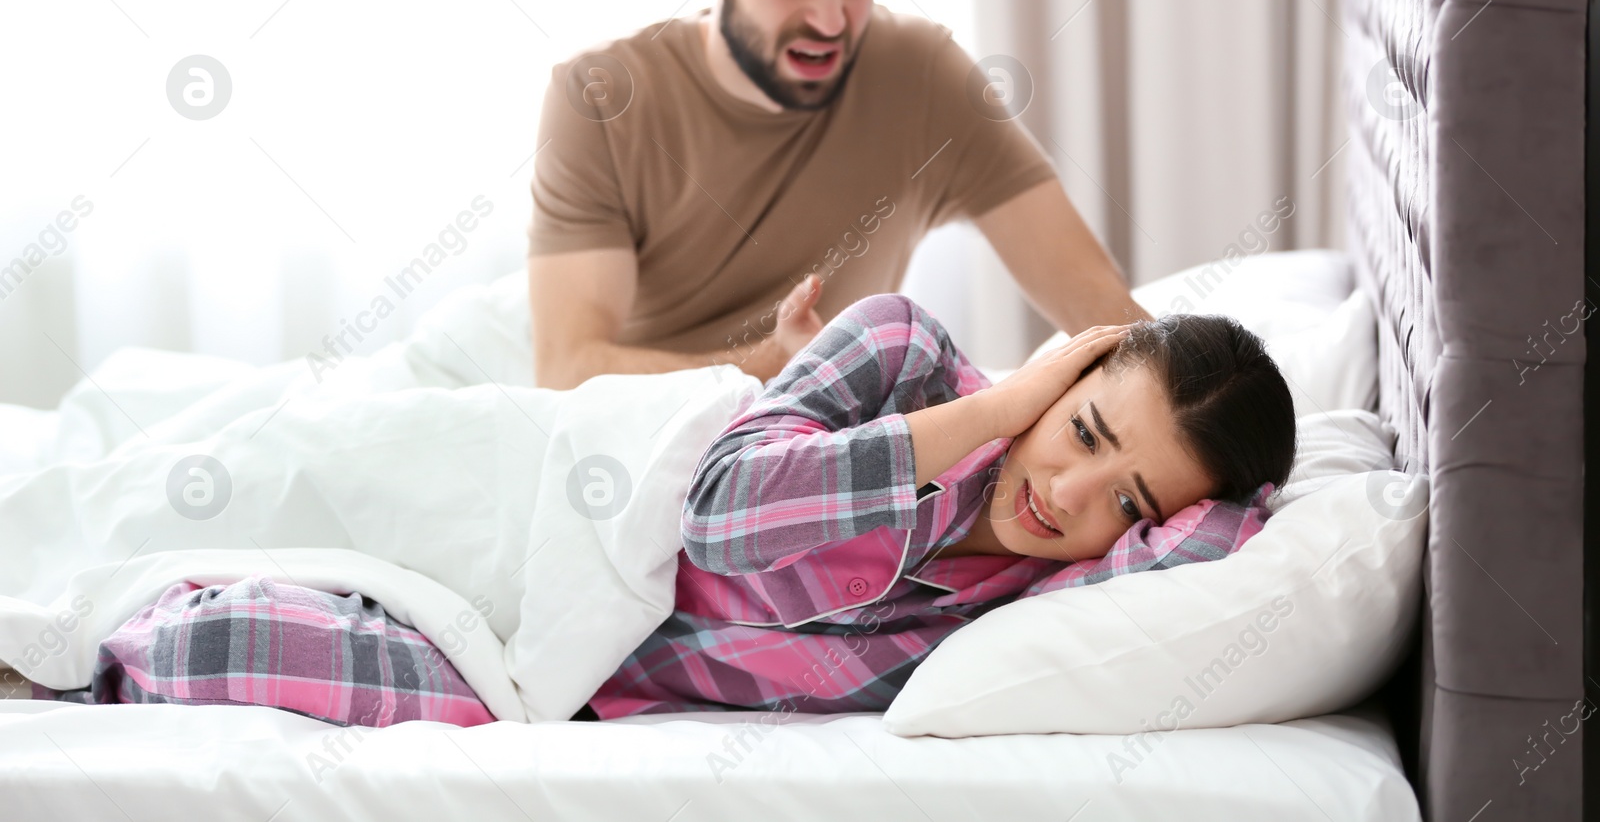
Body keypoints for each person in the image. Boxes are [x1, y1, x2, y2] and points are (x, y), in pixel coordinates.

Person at [40, 293, 1294, 725]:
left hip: (571, 669)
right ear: (1063, 374)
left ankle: (57, 666)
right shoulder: (908, 352)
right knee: (228, 483)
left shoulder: (1045, 601)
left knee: (217, 641)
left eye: (1120, 499)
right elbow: (720, 514)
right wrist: (999, 405)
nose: (1064, 492)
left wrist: (1235, 485)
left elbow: (1233, 537)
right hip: (553, 500)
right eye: (1081, 428)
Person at [527, 0, 1150, 390]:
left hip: (836, 438)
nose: (829, 21)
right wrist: (770, 366)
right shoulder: (599, 96)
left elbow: (1101, 310)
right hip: (652, 447)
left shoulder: (922, 76)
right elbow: (567, 368)